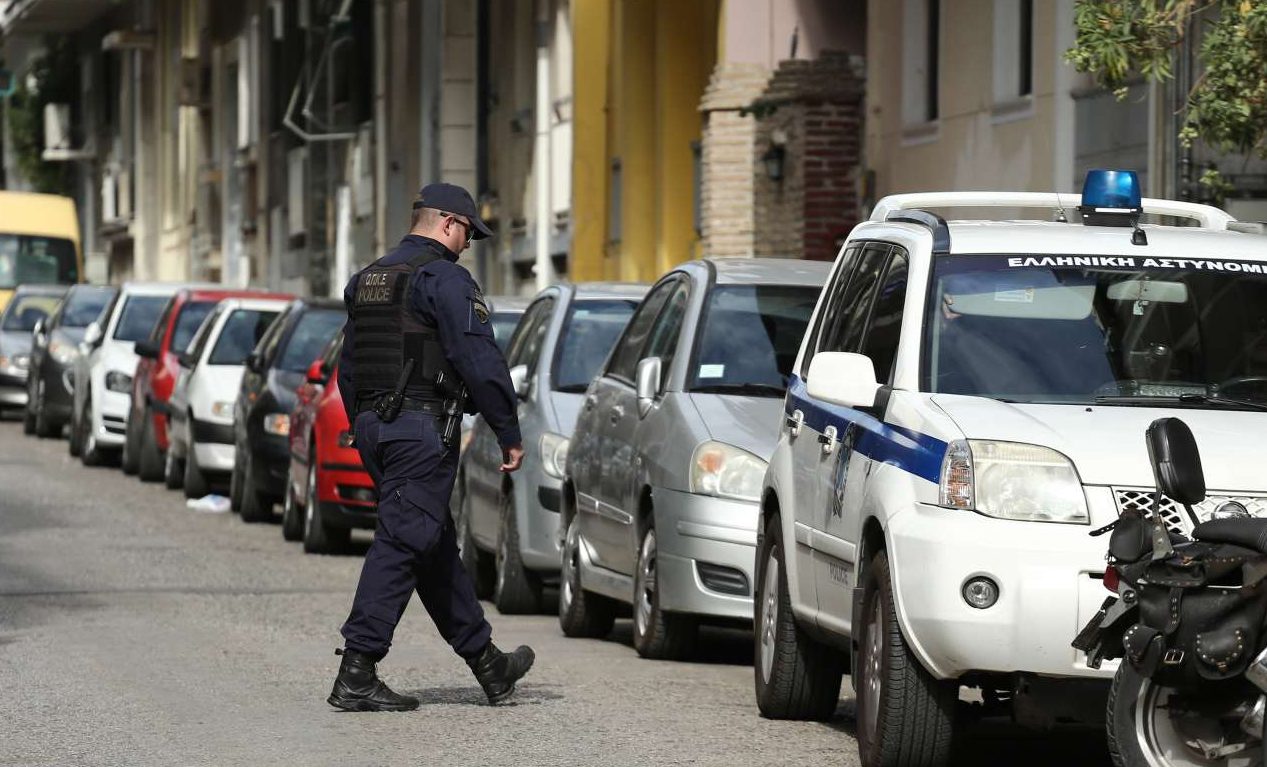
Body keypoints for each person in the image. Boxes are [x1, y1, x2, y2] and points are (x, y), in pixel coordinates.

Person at [327, 182, 532, 711]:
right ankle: (357, 669)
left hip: (377, 428)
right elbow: (478, 359)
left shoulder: (369, 278)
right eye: (468, 231)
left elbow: (347, 368)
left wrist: (368, 426)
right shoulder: (443, 278)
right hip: (419, 431)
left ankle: (488, 664)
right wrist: (507, 429)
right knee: (401, 544)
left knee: (430, 544)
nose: (468, 244)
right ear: (446, 223)